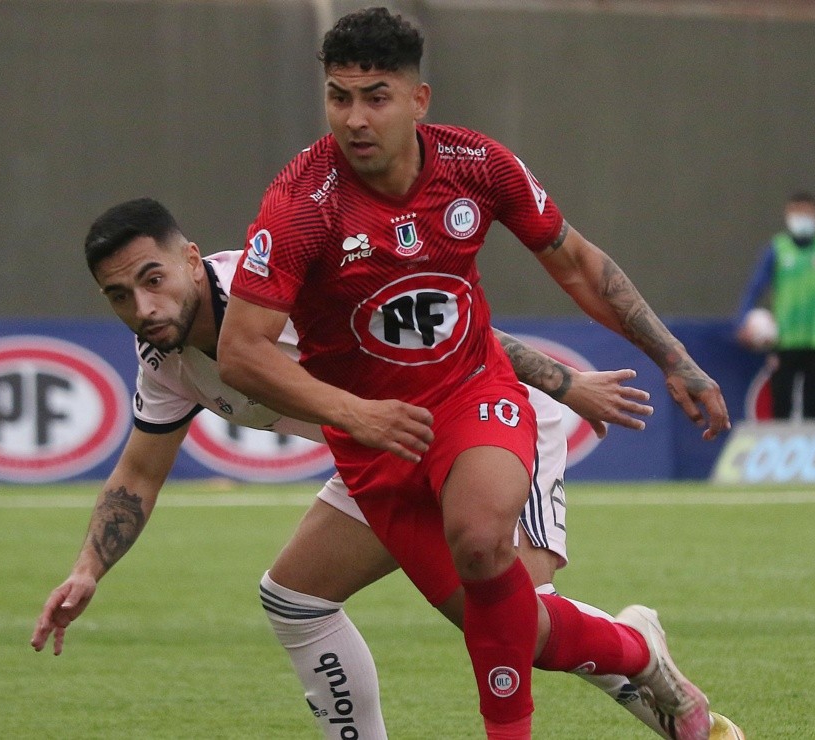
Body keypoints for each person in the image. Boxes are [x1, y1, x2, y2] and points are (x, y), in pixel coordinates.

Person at [31, 199, 743, 740]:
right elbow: (139, 473)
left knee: (512, 629)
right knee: (295, 598)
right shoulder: (165, 357)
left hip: (483, 417)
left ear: (190, 260)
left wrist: (563, 381)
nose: (142, 308)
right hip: (382, 450)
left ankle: (640, 656)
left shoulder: (280, 288)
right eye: (120, 297)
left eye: (152, 280)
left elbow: (440, 318)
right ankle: (640, 662)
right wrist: (89, 568)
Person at [217, 8, 730, 740]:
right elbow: (243, 350)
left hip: (471, 395)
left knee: (484, 539)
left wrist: (673, 359)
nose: (355, 118)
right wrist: (354, 415)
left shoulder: (476, 166)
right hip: (376, 444)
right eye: (339, 96)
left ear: (419, 100)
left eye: (376, 96)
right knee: (521, 627)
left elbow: (578, 263)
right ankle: (640, 652)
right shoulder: (302, 204)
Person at [736, 191, 815, 420]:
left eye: (807, 213)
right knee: (781, 405)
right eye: (797, 213)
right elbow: (755, 288)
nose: (802, 218)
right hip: (784, 340)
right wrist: (743, 321)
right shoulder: (778, 249)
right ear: (788, 215)